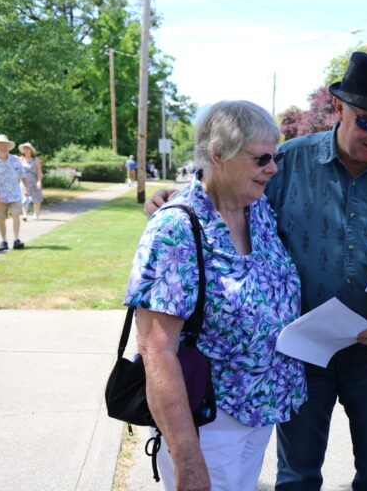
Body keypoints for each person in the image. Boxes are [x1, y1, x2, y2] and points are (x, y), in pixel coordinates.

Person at [146, 52, 367, 490]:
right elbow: (226, 193)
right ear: (339, 109)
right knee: (297, 476)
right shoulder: (286, 164)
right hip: (297, 354)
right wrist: (177, 198)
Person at [125, 100, 306, 490]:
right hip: (207, 422)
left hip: (259, 411)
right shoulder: (175, 228)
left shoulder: (257, 211)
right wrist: (187, 457)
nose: (272, 168)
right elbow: (157, 351)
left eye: (274, 158)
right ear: (217, 154)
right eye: (261, 159)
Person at [0, 134, 28, 251]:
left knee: (15, 214)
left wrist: (27, 188)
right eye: (0, 145)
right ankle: (4, 241)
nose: (3, 148)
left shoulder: (15, 159)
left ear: (9, 147)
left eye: (5, 145)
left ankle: (16, 240)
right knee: (1, 218)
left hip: (15, 194)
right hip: (0, 196)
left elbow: (23, 175)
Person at [18, 142, 43, 220]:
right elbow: (18, 171)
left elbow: (39, 171)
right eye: (24, 148)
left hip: (34, 180)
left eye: (28, 148)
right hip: (23, 181)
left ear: (31, 150)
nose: (26, 150)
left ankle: (36, 213)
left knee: (36, 197)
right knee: (24, 198)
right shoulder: (20, 159)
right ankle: (25, 214)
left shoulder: (36, 159)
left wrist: (39, 181)